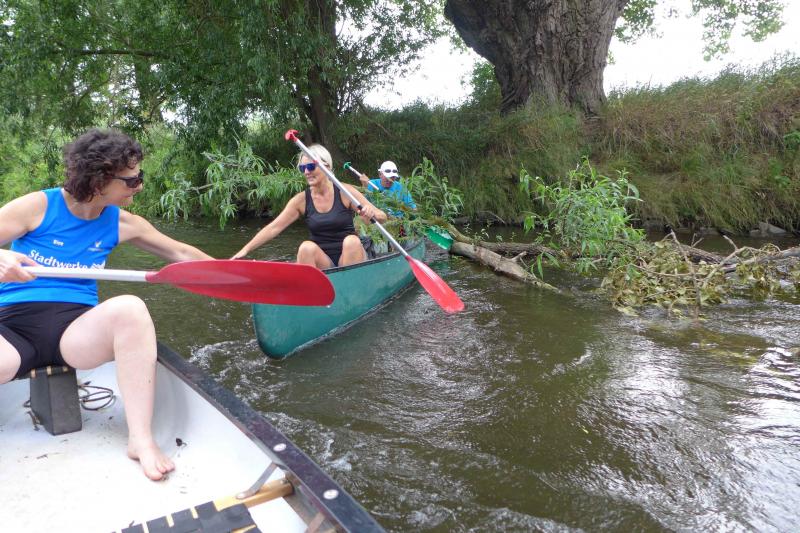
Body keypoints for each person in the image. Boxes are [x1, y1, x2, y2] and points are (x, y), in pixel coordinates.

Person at [0, 128, 214, 481]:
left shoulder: (123, 223)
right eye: (132, 180)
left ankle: (140, 440)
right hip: (12, 329)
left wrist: (240, 275)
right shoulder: (37, 206)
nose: (139, 186)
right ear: (99, 180)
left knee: (131, 307)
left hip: (76, 333)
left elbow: (181, 253)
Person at [232, 144, 387, 268]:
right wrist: (245, 250)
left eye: (311, 167)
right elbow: (274, 228)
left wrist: (371, 213)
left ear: (327, 167)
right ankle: (313, 291)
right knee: (306, 247)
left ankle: (350, 289)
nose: (306, 172)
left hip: (351, 256)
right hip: (323, 261)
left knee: (351, 241)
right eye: (302, 168)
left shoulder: (345, 192)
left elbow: (383, 217)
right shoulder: (301, 201)